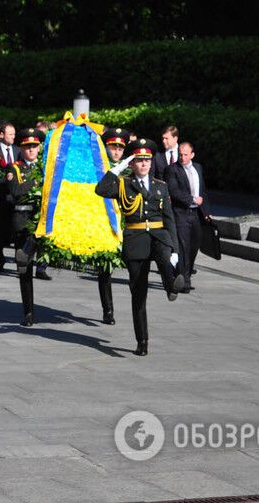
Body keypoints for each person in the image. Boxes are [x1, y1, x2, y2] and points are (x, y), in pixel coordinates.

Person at [95, 138, 182, 356]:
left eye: (147, 160)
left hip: (159, 234)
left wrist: (176, 251)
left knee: (164, 256)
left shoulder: (161, 187)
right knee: (138, 293)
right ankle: (142, 341)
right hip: (135, 238)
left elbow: (169, 219)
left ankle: (171, 285)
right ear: (133, 164)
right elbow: (101, 189)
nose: (144, 164)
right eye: (139, 161)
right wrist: (119, 168)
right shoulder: (124, 184)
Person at [2, 129, 45, 325]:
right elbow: (16, 191)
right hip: (22, 221)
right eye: (28, 147)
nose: (31, 150)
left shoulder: (46, 167)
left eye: (34, 146)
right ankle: (28, 311)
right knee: (24, 268)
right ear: (22, 148)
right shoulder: (14, 169)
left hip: (42, 220)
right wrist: (38, 182)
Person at [93, 127, 133, 325]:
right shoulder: (100, 169)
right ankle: (108, 310)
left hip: (128, 223)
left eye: (120, 147)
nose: (117, 151)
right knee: (105, 269)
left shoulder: (131, 170)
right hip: (105, 223)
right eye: (113, 147)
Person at [164, 140, 209, 293]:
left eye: (185, 155)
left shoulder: (198, 168)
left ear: (192, 155)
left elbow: (202, 191)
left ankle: (183, 274)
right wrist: (192, 200)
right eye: (180, 154)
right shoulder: (172, 170)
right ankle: (185, 281)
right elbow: (174, 191)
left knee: (194, 245)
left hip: (196, 214)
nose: (182, 157)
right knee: (183, 247)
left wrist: (206, 211)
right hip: (181, 214)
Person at [0, 122, 20, 271]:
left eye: (14, 134)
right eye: (10, 134)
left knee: (16, 230)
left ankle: (20, 260)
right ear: (1, 135)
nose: (13, 137)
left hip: (15, 197)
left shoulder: (18, 151)